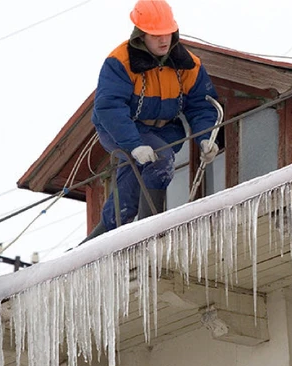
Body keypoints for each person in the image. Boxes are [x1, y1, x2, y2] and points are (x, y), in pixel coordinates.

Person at [82, 0, 220, 243]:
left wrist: (206, 139)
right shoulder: (120, 62)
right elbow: (109, 107)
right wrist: (134, 144)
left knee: (128, 197)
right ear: (141, 34)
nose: (163, 39)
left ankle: (95, 245)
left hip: (164, 130)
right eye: (156, 35)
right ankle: (149, 232)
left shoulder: (189, 65)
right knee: (160, 158)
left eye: (167, 32)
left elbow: (201, 106)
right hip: (121, 128)